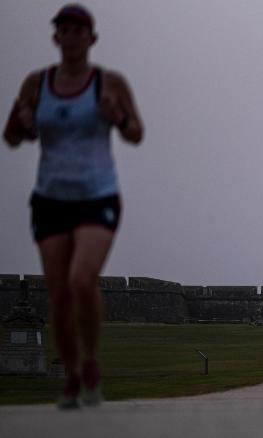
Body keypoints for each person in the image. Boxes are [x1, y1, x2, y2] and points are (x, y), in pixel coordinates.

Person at [3, 4, 143, 409]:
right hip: (50, 197)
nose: (72, 35)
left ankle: (92, 361)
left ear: (91, 38)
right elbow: (11, 136)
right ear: (56, 37)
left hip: (98, 194)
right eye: (64, 29)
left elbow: (135, 131)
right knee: (59, 292)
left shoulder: (110, 83)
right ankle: (71, 372)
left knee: (83, 280)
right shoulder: (36, 83)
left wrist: (118, 118)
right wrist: (22, 124)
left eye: (79, 29)